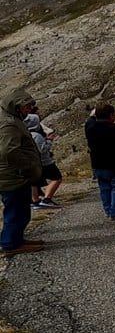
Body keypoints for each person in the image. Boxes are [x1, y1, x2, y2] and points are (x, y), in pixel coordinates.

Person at [0, 88, 45, 257]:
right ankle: (10, 244)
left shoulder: (12, 119)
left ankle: (17, 239)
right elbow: (9, 152)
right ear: (16, 106)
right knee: (15, 211)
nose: (29, 109)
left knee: (21, 210)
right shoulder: (9, 123)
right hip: (13, 176)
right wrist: (27, 166)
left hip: (15, 175)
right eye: (26, 106)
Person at [24, 111, 63, 208]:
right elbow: (42, 149)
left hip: (33, 162)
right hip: (45, 162)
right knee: (57, 178)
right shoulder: (36, 136)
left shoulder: (25, 134)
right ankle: (47, 198)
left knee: (34, 182)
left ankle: (35, 201)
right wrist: (49, 141)